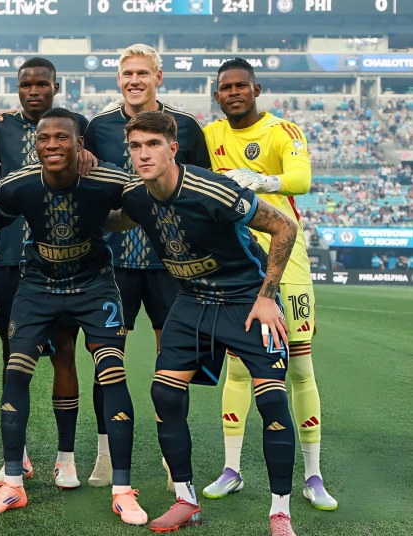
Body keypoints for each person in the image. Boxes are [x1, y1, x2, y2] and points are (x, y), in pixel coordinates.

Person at [115, 111, 300, 535]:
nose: (143, 154)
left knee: (272, 402)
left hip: (247, 301)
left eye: (153, 144)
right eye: (136, 146)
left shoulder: (213, 190)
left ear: (173, 148)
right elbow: (115, 218)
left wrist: (267, 297)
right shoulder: (135, 196)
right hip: (193, 301)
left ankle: (280, 512)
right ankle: (186, 501)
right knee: (164, 394)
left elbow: (284, 228)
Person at [0, 108, 147, 526]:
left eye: (62, 137)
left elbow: (149, 197)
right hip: (37, 287)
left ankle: (123, 491)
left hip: (94, 286)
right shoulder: (18, 183)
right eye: (44, 138)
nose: (52, 144)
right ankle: (12, 482)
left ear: (79, 144)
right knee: (16, 373)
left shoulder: (107, 179)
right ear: (35, 145)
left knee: (112, 373)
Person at [203, 57, 337, 511]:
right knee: (239, 367)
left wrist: (259, 180)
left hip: (287, 262)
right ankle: (231, 470)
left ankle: (313, 476)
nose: (234, 92)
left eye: (241, 85)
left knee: (299, 367)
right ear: (217, 95)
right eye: (226, 87)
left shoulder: (283, 131)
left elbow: (301, 180)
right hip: (237, 265)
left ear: (256, 89)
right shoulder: (210, 135)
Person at [82, 44, 210, 487]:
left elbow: (202, 190)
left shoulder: (186, 126)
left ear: (159, 77)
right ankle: (105, 455)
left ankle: (172, 459)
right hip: (113, 263)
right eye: (127, 74)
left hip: (170, 262)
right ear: (118, 79)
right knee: (107, 360)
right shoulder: (98, 126)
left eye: (142, 73)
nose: (134, 80)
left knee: (171, 361)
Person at [0, 56, 94, 488]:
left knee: (65, 352)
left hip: (65, 261)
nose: (33, 91)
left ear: (56, 86)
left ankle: (66, 459)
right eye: (25, 85)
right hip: (11, 259)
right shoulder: (0, 128)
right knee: (14, 358)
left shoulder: (78, 125)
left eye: (41, 84)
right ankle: (19, 455)